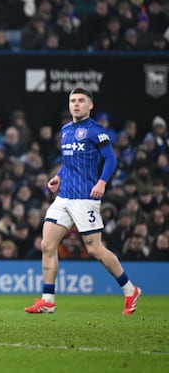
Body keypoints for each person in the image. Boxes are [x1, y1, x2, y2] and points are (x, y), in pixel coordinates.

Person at [25, 88, 141, 315]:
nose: (76, 104)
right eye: (73, 101)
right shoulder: (66, 130)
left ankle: (130, 289)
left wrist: (102, 182)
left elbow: (111, 159)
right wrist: (58, 177)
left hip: (85, 198)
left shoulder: (96, 131)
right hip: (64, 196)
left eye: (81, 101)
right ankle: (48, 300)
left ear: (90, 106)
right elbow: (68, 164)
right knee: (47, 245)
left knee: (95, 249)